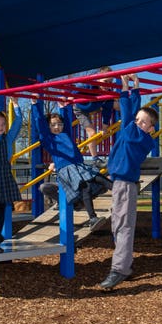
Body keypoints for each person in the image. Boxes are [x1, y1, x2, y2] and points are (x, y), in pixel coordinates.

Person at [99, 74, 158, 290]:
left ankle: (120, 269)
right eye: (138, 120)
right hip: (118, 183)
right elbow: (129, 114)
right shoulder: (130, 130)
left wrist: (131, 90)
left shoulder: (141, 138)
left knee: (123, 226)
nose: (139, 122)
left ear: (150, 128)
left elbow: (128, 113)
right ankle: (126, 264)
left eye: (145, 122)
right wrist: (129, 88)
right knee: (117, 224)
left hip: (124, 184)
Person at [31, 97, 112, 230]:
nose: (57, 127)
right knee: (85, 187)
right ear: (48, 127)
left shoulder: (66, 133)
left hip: (79, 165)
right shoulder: (48, 139)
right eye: (53, 125)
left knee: (99, 177)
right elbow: (40, 123)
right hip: (67, 168)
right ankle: (92, 218)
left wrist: (63, 107)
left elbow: (67, 122)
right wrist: (35, 105)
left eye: (59, 124)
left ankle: (122, 190)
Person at [0, 100, 23, 254]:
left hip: (3, 177)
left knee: (1, 209)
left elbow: (19, 122)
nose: (1, 126)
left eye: (3, 123)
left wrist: (16, 105)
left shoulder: (7, 139)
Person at [73, 66, 118, 168]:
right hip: (81, 109)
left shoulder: (108, 93)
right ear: (98, 79)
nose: (107, 85)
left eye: (110, 82)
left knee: (114, 104)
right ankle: (95, 159)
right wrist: (70, 96)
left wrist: (105, 126)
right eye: (105, 81)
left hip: (94, 107)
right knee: (92, 133)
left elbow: (107, 110)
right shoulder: (89, 86)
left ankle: (132, 115)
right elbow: (75, 89)